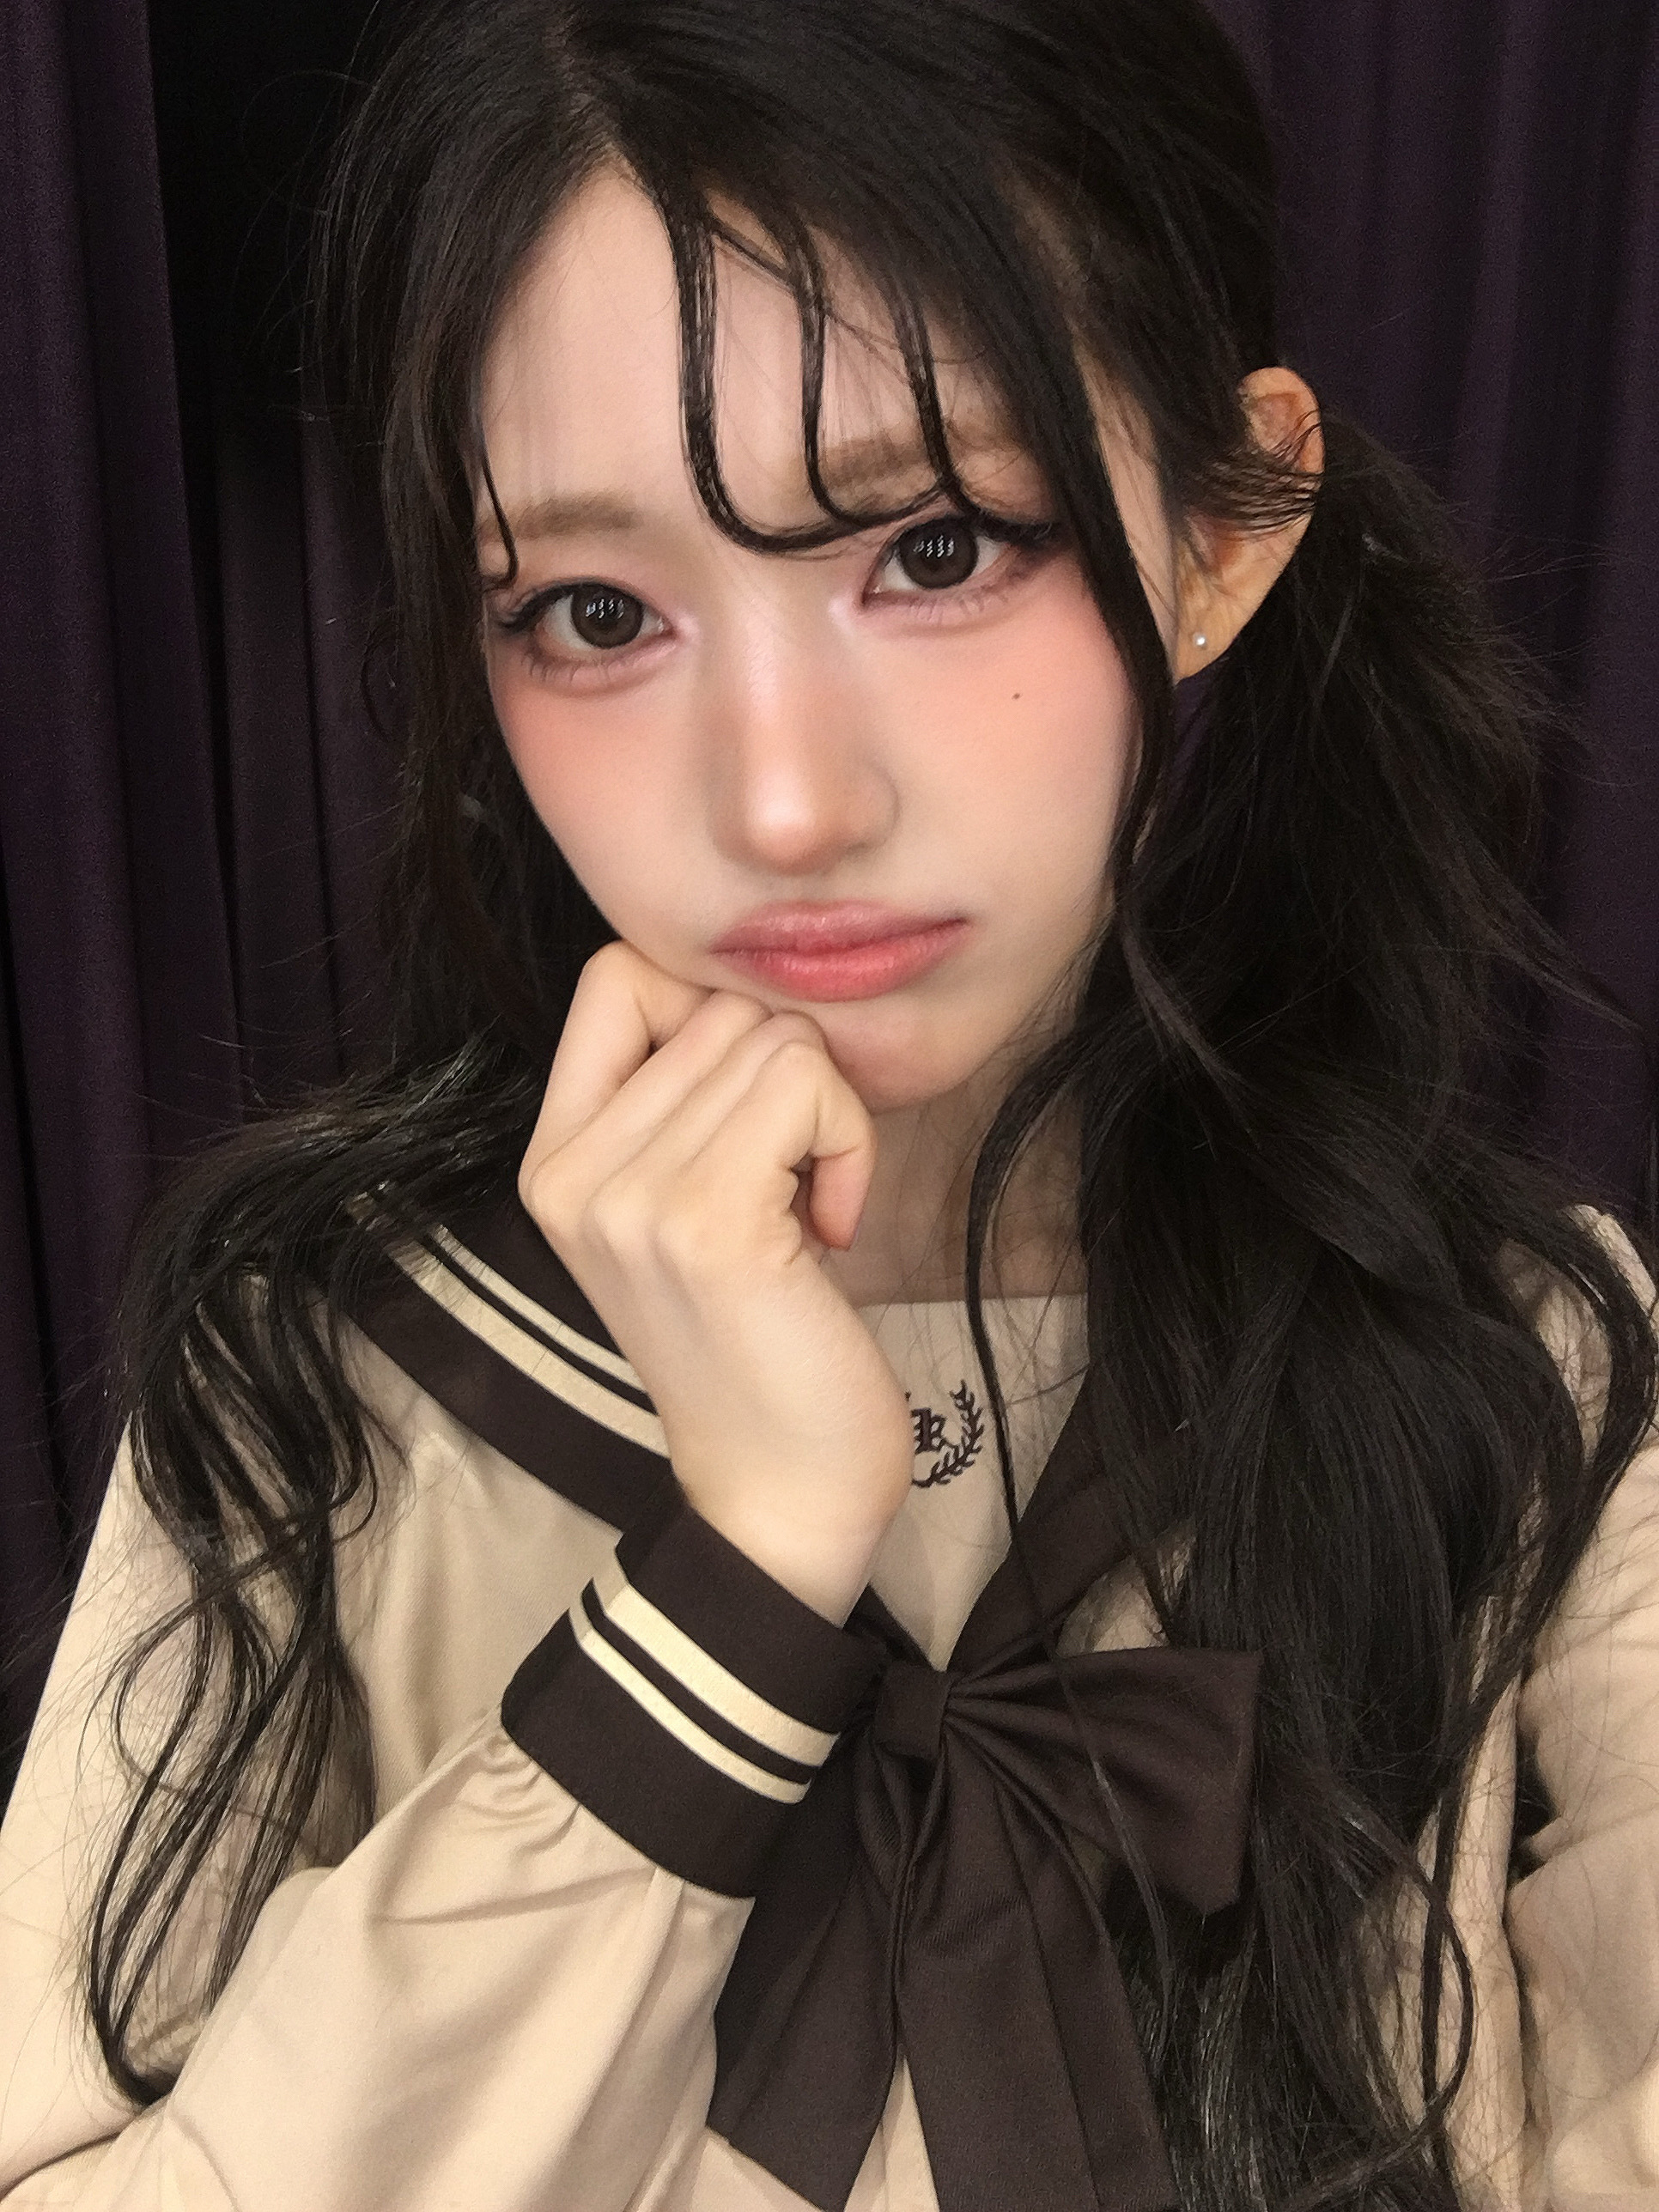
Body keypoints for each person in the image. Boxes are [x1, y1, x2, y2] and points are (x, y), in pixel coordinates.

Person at [3, 0, 1656, 2204]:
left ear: (1226, 523)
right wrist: (730, 1597)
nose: (783, 804)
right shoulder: (312, 1377)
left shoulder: (1519, 1361)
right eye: (598, 609)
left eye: (938, 550)